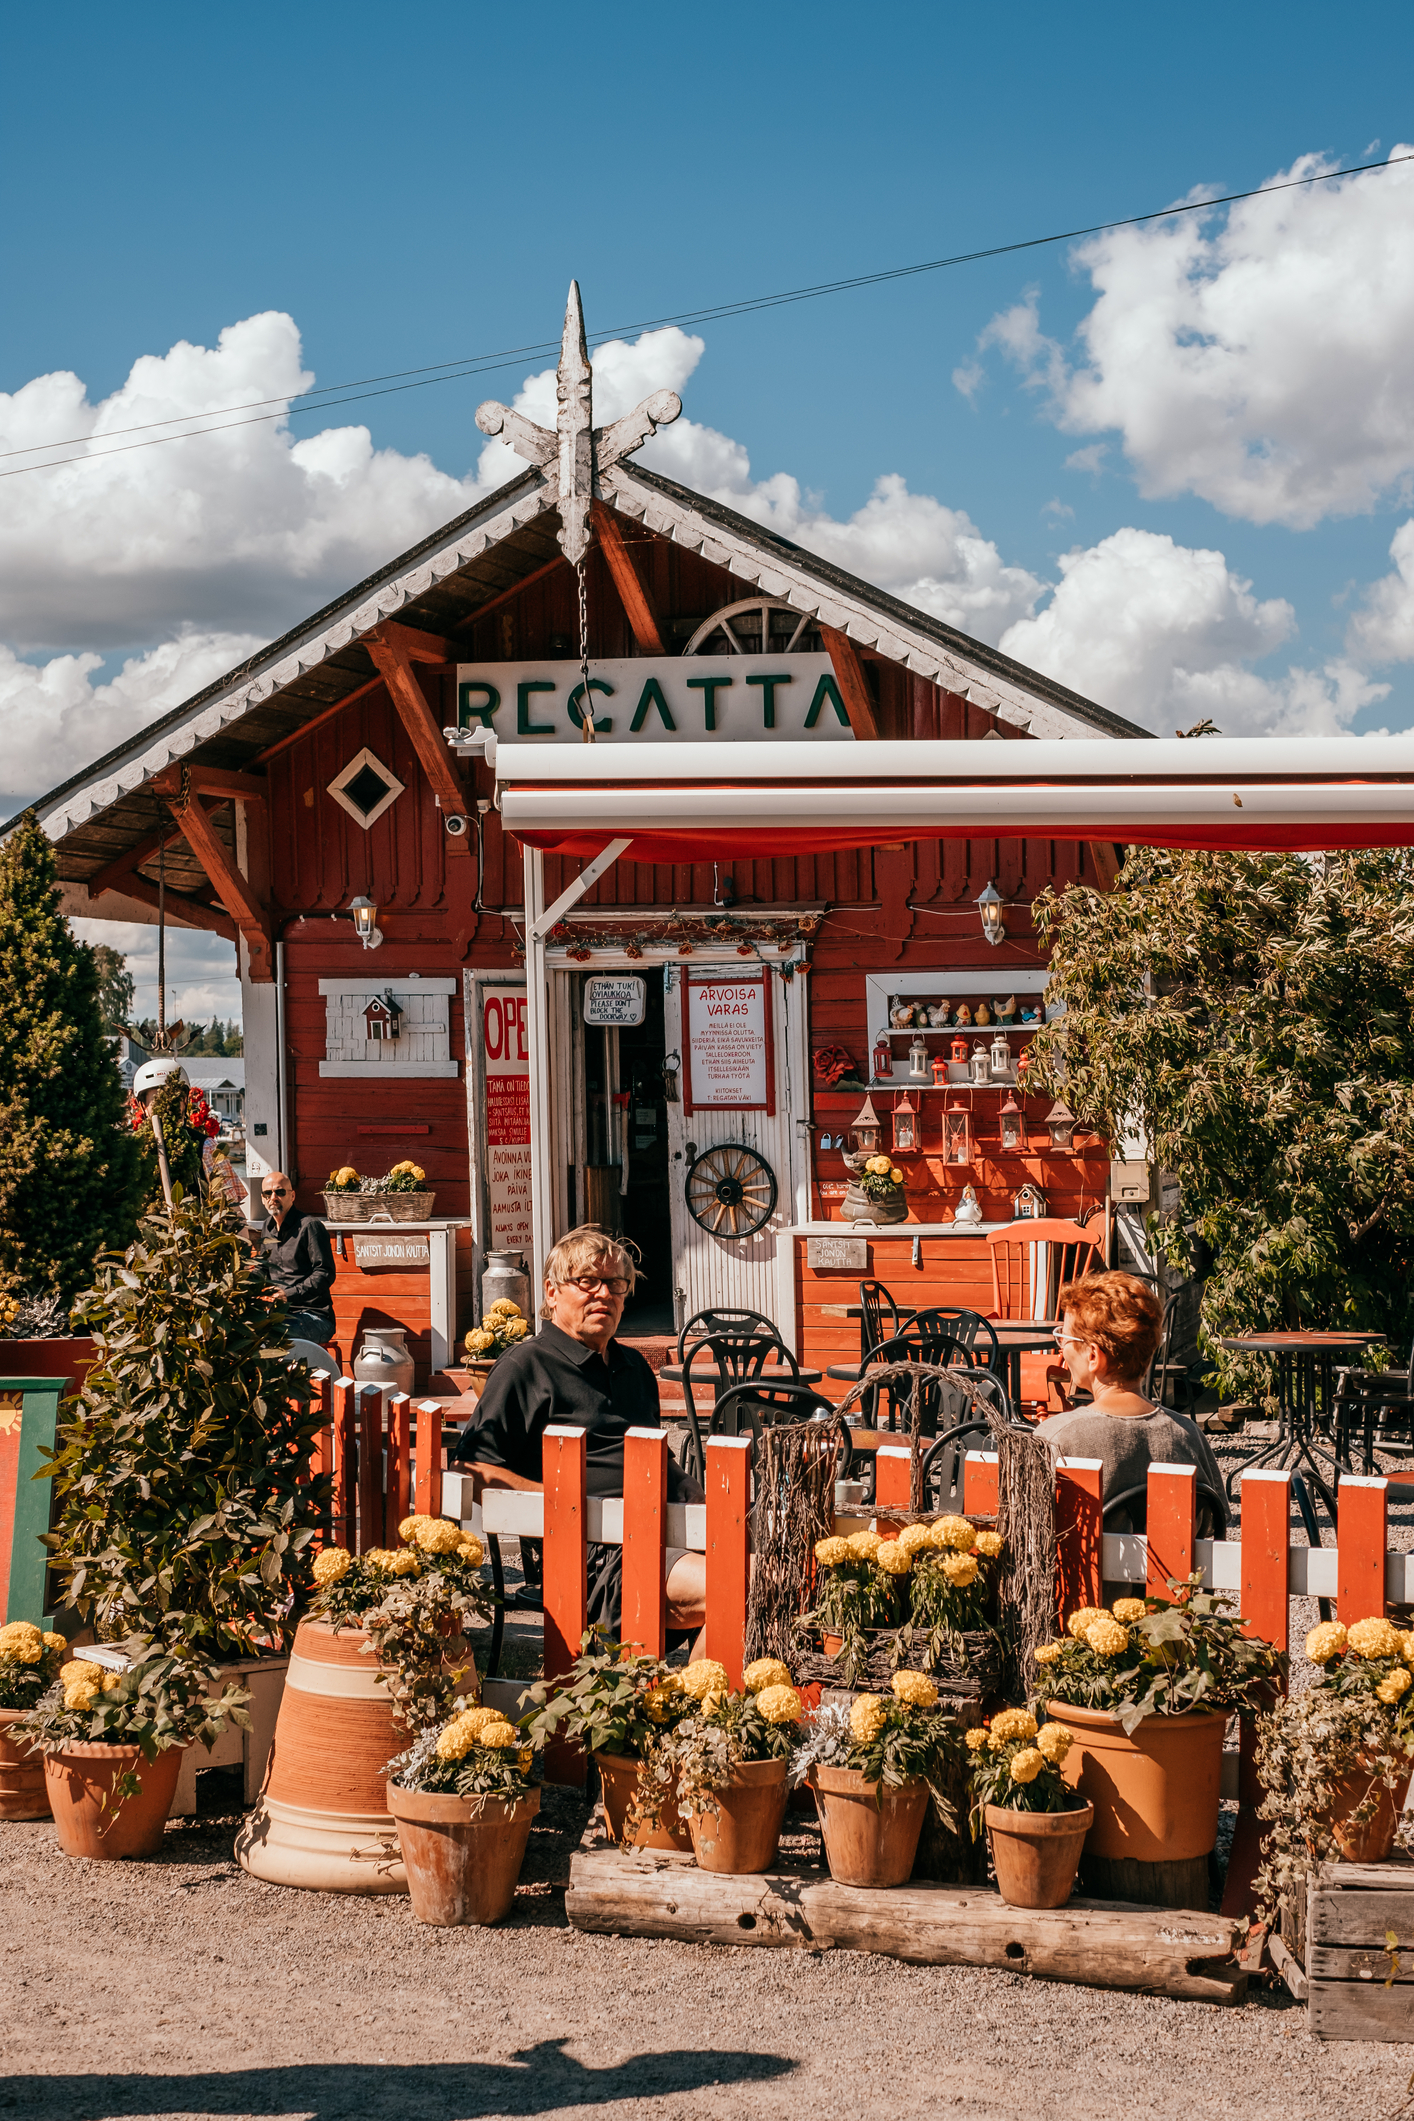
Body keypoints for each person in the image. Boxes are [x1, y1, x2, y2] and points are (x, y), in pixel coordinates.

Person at [452, 1224, 707, 1642]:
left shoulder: (635, 1369)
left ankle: (694, 1707)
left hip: (663, 1533)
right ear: (552, 1293)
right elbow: (473, 1468)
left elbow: (654, 1460)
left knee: (768, 1578)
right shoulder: (525, 1366)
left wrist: (698, 1496)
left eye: (615, 1284)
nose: (604, 1294)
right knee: (736, 1585)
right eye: (587, 1282)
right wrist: (563, 1505)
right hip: (591, 1557)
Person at [1035, 1270, 1226, 1535]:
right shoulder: (1187, 1434)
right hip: (1176, 1576)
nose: (1061, 1348)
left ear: (1093, 1355)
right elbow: (1212, 1525)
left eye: (1064, 1338)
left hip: (1090, 1578)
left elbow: (1028, 1534)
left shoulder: (1057, 1436)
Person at [258, 1173, 337, 1347]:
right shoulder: (267, 1227)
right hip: (278, 1314)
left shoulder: (309, 1226)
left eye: (280, 1192)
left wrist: (288, 1295)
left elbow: (325, 1274)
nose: (273, 1197)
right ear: (262, 1199)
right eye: (267, 1193)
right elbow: (263, 1268)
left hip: (314, 1316)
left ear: (292, 1196)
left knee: (271, 1333)